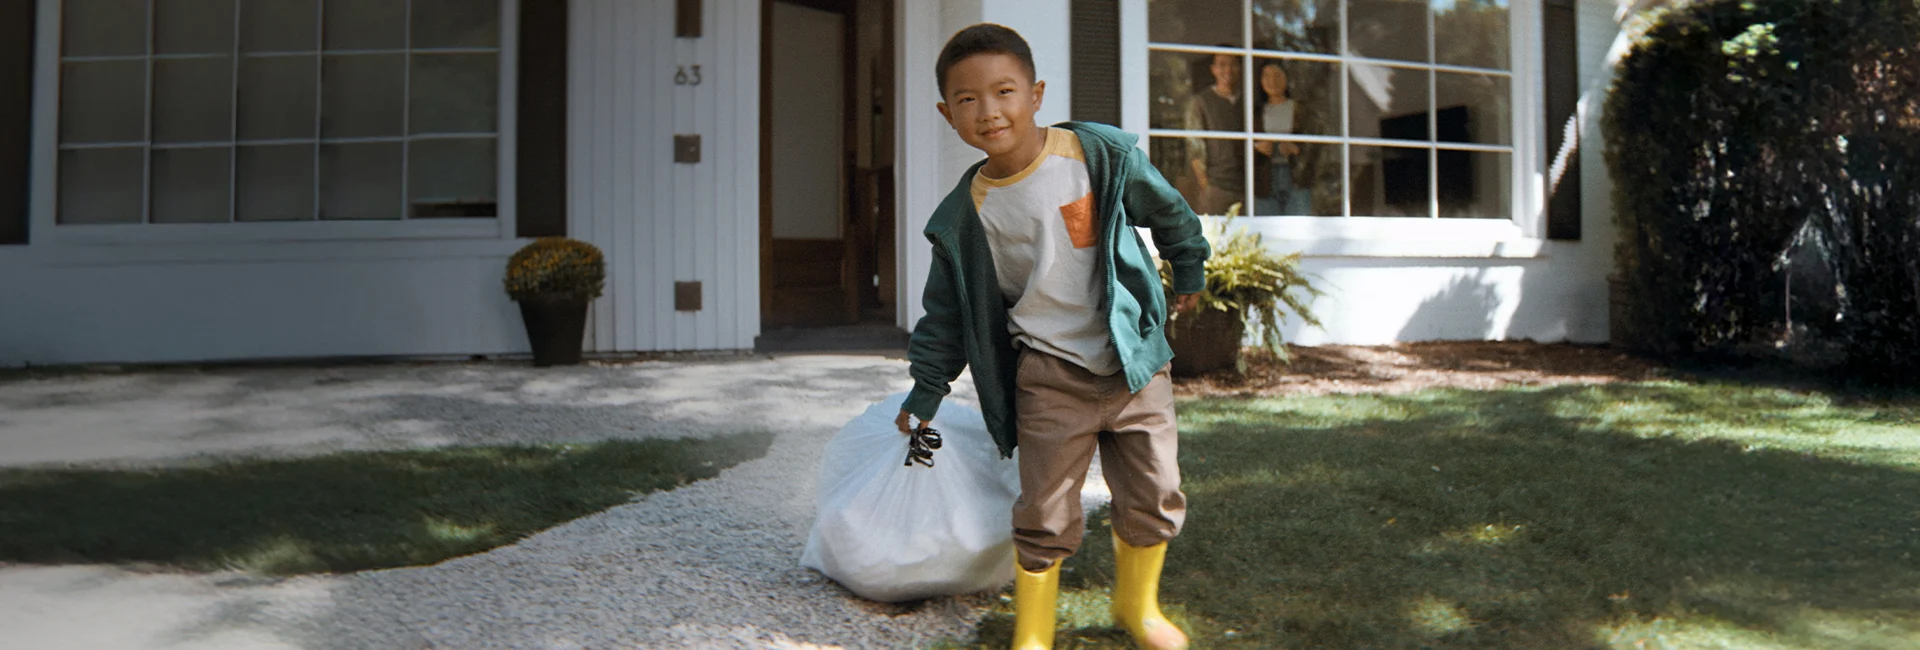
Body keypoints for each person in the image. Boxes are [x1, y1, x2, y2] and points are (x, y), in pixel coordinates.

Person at [890, 23, 1211, 650]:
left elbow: (1169, 209)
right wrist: (924, 391)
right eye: (967, 99)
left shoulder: (1096, 157)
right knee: (1045, 509)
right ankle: (1034, 632)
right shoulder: (963, 217)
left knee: (1154, 491)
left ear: (1035, 94)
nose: (989, 111)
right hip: (1048, 374)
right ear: (945, 112)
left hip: (1133, 364)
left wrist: (1188, 263)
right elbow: (945, 316)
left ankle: (1136, 607)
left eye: (1004, 90)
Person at [1185, 50, 1244, 215]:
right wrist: (1205, 183)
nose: (1228, 70)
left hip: (1246, 187)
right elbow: (1194, 146)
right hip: (1217, 186)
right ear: (1213, 69)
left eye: (1233, 64)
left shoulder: (1247, 101)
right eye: (1222, 65)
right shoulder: (1201, 102)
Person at [1253, 61, 1313, 216]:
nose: (1272, 81)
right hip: (1265, 178)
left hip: (1295, 178)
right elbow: (1241, 148)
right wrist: (1258, 148)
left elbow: (1315, 145)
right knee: (1267, 230)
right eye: (1267, 76)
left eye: (1278, 75)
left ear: (1287, 78)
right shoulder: (1255, 112)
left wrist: (1296, 149)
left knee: (1297, 227)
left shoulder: (1301, 110)